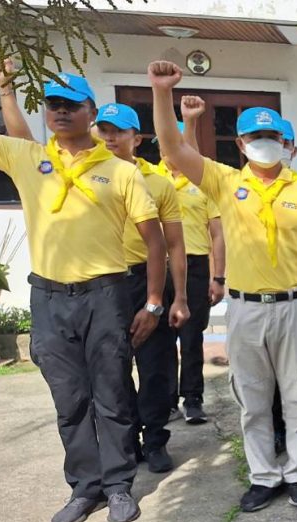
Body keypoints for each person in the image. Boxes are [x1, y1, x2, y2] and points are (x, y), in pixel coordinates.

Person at [150, 60, 297, 511]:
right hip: (245, 308)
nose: (265, 143)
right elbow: (173, 149)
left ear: (285, 142)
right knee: (252, 397)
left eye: (272, 136)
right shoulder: (224, 182)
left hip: (295, 306)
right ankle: (263, 476)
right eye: (256, 136)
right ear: (240, 143)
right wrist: (161, 93)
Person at [0, 70, 166, 522]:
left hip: (105, 295)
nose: (62, 111)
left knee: (111, 393)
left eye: (72, 104)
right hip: (49, 298)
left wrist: (152, 302)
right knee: (69, 399)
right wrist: (4, 88)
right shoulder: (28, 158)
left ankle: (119, 485)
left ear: (92, 111)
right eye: (54, 104)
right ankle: (85, 488)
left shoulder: (121, 171)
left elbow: (154, 240)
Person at [93, 103, 190, 473]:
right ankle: (127, 440)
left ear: (136, 138)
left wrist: (179, 297)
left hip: (147, 281)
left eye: (118, 131)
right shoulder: (88, 177)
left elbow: (175, 245)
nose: (110, 138)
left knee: (154, 368)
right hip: (103, 284)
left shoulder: (159, 183)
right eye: (103, 130)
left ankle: (155, 439)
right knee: (113, 369)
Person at [162, 97, 226, 424]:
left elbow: (217, 234)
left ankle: (192, 398)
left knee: (191, 338)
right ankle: (165, 400)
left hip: (196, 267)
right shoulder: (150, 179)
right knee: (161, 340)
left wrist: (218, 277)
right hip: (159, 268)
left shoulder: (202, 186)